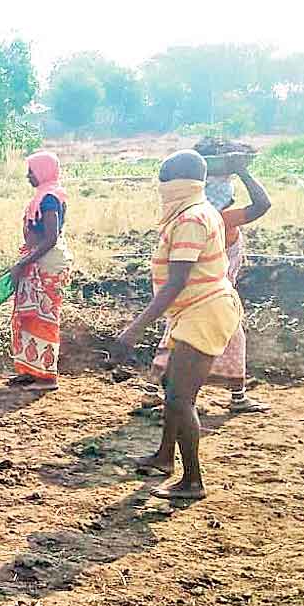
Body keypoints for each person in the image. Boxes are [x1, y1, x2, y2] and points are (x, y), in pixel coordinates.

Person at [115, 150, 243, 501]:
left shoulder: (190, 219)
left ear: (177, 184)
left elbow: (176, 282)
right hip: (196, 310)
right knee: (172, 386)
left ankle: (192, 481)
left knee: (180, 398)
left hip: (204, 311)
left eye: (164, 180)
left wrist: (135, 328)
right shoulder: (200, 210)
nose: (161, 188)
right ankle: (164, 457)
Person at [145, 158, 272, 413]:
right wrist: (242, 171)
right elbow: (262, 204)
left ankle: (161, 395)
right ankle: (222, 398)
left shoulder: (194, 216)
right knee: (221, 345)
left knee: (175, 346)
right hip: (207, 298)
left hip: (194, 298)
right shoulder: (220, 218)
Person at [8, 151, 74, 392]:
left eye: (31, 171)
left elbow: (50, 238)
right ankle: (31, 371)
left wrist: (23, 263)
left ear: (43, 171)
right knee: (30, 317)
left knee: (44, 318)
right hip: (39, 260)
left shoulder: (49, 199)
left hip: (47, 264)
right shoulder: (45, 196)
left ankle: (47, 377)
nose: (28, 176)